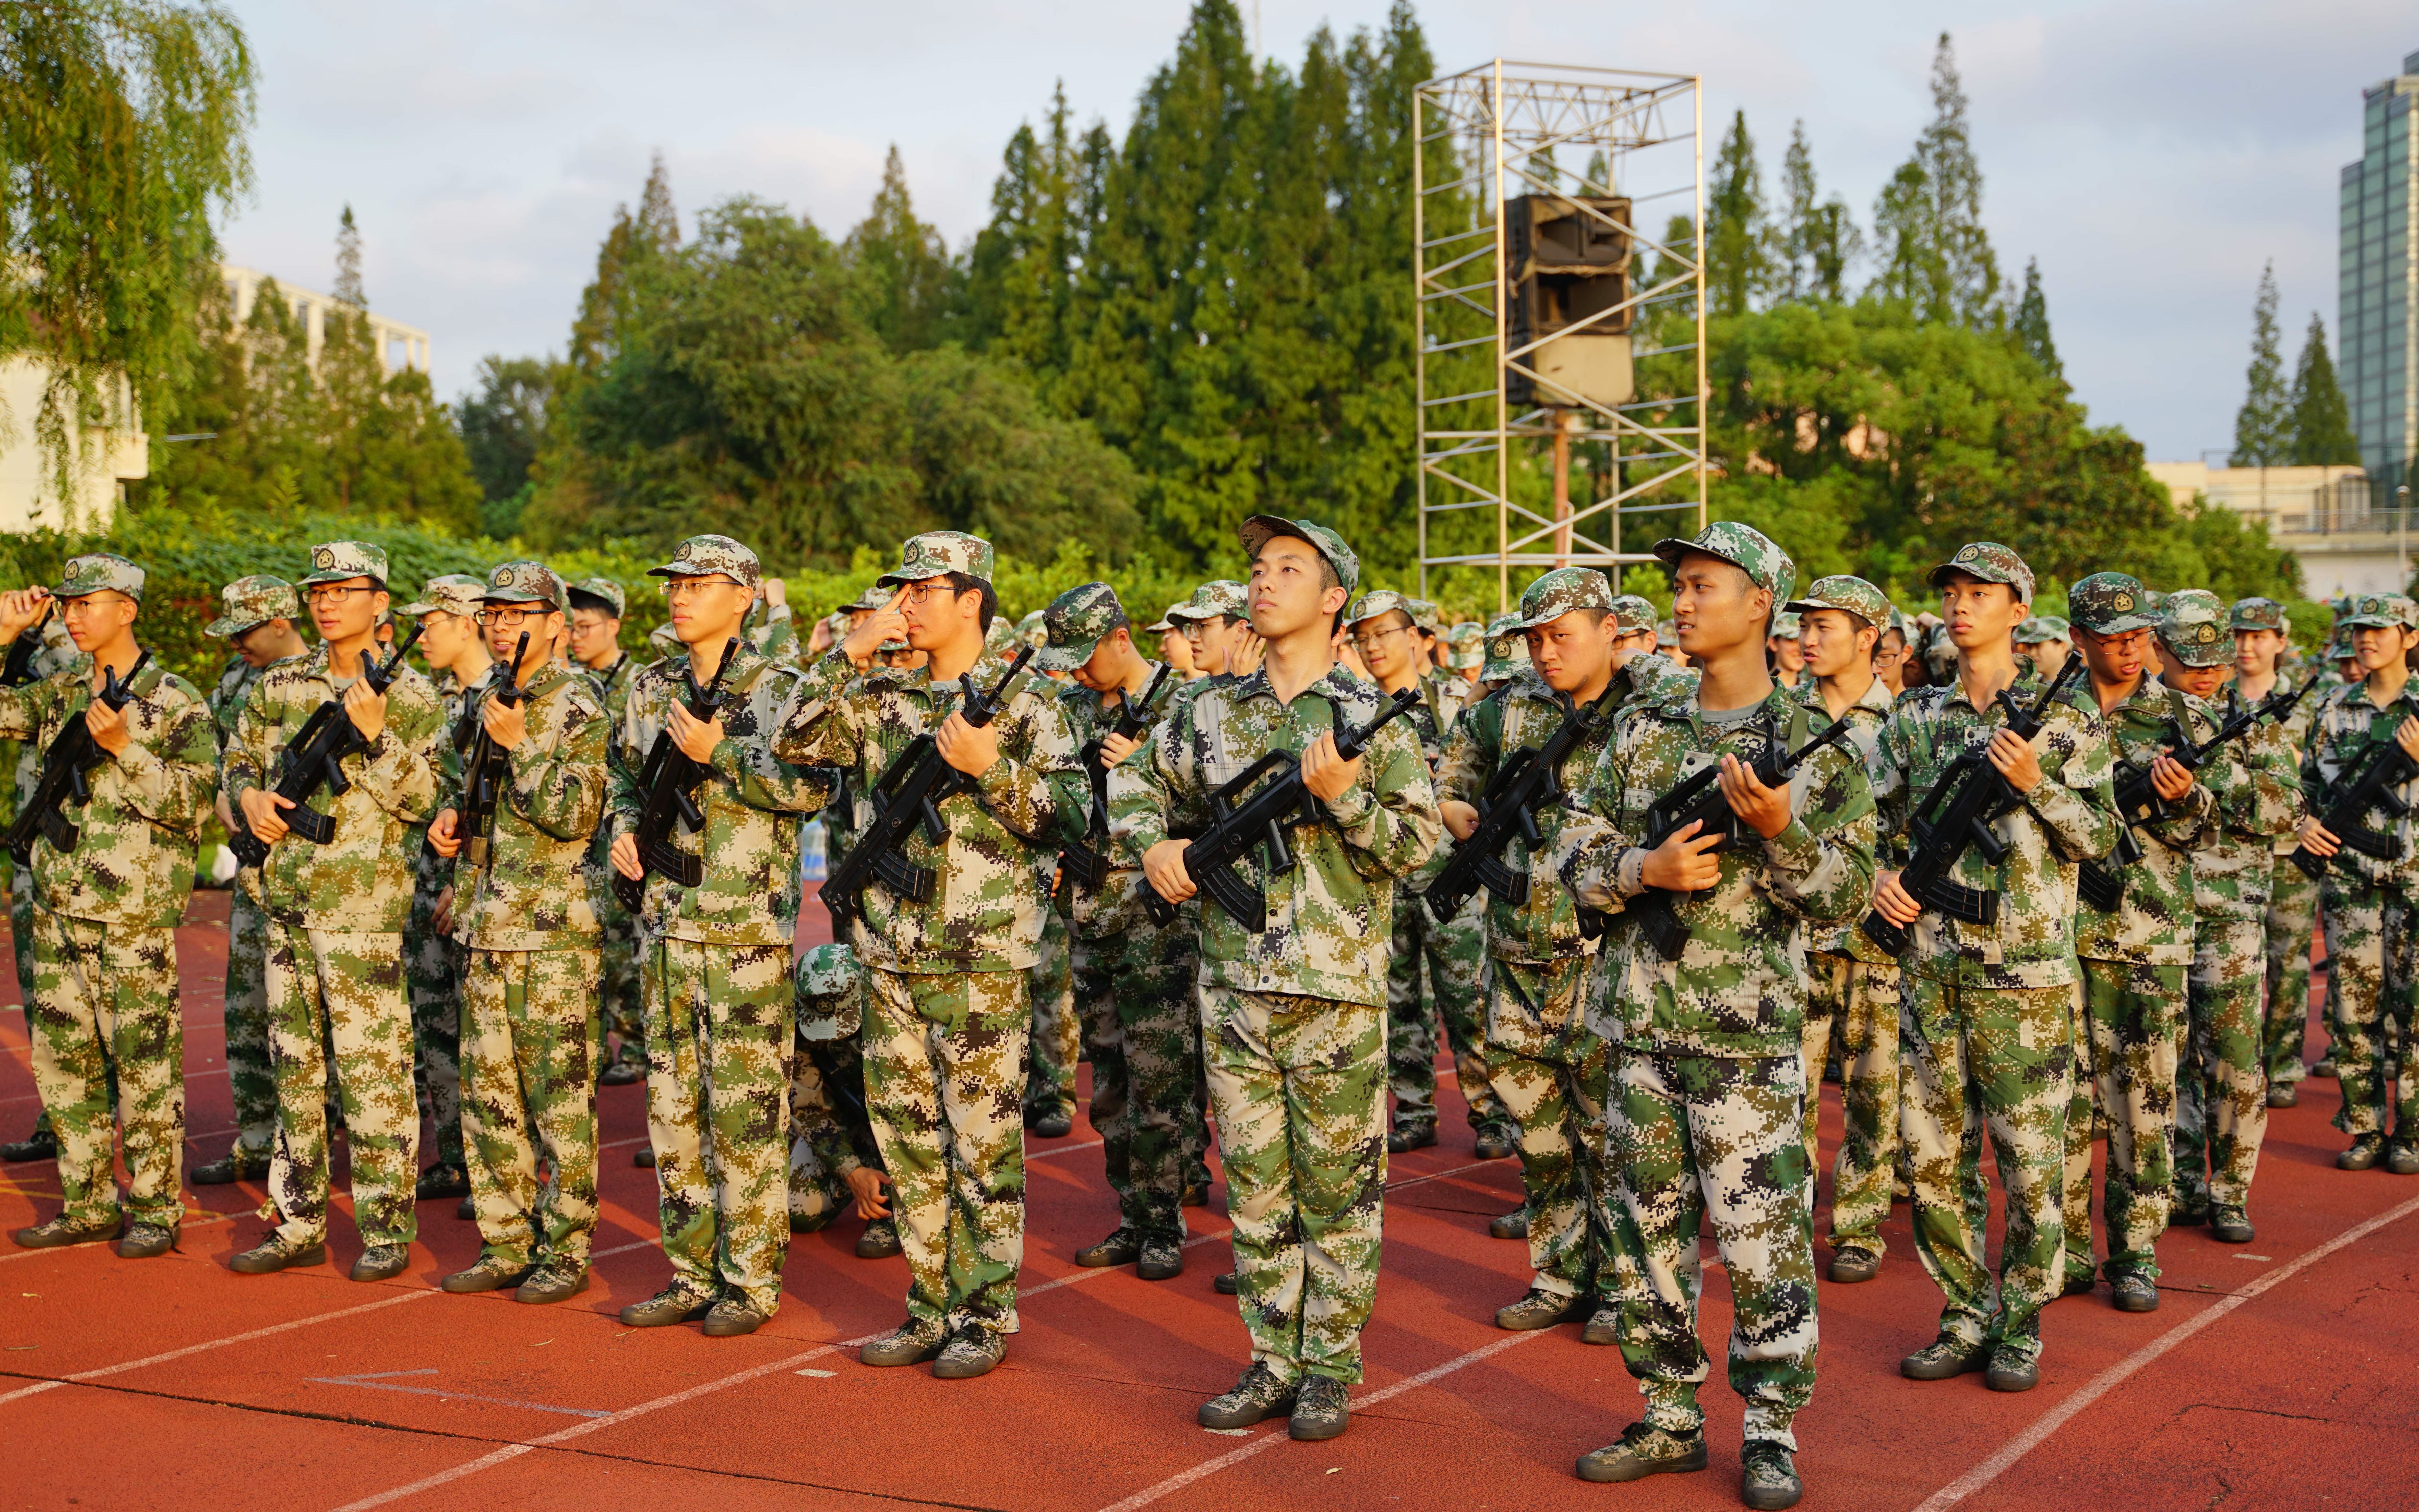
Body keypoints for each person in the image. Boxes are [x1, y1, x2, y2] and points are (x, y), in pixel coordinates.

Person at [1549, 524, 1870, 1510]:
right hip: (1639, 1028)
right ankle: (1669, 1414)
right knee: (1642, 1234)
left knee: (1761, 1236)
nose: (1682, 603)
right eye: (1678, 588)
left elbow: (1851, 894)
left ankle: (1771, 1429)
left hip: (1746, 1039)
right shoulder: (1643, 729)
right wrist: (1637, 871)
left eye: (1702, 586)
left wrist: (1781, 834)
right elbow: (1564, 851)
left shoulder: (1820, 746)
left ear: (1759, 604)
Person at [1117, 516, 1438, 1443]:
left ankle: (1329, 1367)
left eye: (1289, 568)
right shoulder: (1212, 711)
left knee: (1336, 1193)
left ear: (1334, 597)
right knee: (1255, 1187)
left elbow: (1416, 847)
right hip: (1232, 986)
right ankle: (1271, 1358)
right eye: (1257, 567)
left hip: (1333, 993)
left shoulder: (1368, 714)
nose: (1264, 581)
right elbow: (1138, 782)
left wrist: (1344, 798)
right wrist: (1157, 842)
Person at [779, 531, 1084, 1379]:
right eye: (899, 590)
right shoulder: (879, 695)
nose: (904, 603)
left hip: (981, 957)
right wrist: (848, 651)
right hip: (889, 953)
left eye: (921, 590)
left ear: (970, 600)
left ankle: (984, 1313)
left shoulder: (1031, 706)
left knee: (981, 1146)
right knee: (908, 1139)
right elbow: (795, 743)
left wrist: (993, 772)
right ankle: (930, 1303)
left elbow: (1070, 819)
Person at [1871, 542, 2114, 1391]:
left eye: (1981, 593)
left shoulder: (2068, 720)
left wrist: (2039, 781)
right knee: (1933, 1156)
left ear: (2019, 610)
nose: (1960, 605)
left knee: (2029, 1159)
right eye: (1950, 591)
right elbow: (1865, 820)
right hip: (1931, 967)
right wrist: (1876, 872)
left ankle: (2020, 1324)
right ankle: (1964, 1311)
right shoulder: (1913, 718)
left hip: (2026, 974)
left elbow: (2101, 839)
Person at [604, 536, 827, 1337]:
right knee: (672, 1112)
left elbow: (814, 787)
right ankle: (689, 1271)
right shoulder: (649, 684)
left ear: (744, 596)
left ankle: (751, 1282)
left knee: (745, 1114)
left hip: (742, 934)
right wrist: (622, 833)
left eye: (701, 582)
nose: (680, 594)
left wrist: (722, 754)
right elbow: (622, 782)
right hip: (664, 924)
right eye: (675, 582)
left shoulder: (782, 686)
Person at [1434, 568, 1646, 1349]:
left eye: (1561, 636)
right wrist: (1456, 807)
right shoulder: (1505, 708)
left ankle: (1626, 1291)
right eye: (1534, 640)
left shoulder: (1646, 712)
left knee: (1611, 1141)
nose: (1546, 653)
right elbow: (1450, 775)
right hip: (1519, 952)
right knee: (1540, 1135)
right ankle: (1559, 1276)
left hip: (1607, 960)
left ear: (1607, 629)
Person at [223, 541, 447, 1280]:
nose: (325, 601)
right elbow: (236, 763)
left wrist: (378, 737)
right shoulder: (280, 682)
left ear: (381, 604)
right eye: (317, 588)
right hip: (284, 901)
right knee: (295, 1071)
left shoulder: (412, 698)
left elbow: (428, 802)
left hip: (361, 914)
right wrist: (248, 797)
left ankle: (386, 1229)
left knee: (374, 1075)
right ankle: (297, 1220)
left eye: (345, 589)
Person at [0, 556, 214, 1257]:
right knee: (66, 1064)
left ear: (127, 608)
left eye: (88, 603)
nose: (73, 616)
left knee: (145, 1066)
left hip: (131, 917)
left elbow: (194, 806)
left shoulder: (175, 699)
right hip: (60, 906)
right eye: (67, 605)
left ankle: (156, 1206)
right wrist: (4, 637)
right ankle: (87, 1201)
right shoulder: (60, 690)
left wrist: (125, 750)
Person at [426, 562, 611, 1303]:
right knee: (490, 1096)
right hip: (485, 924)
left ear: (557, 622)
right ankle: (504, 1239)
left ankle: (565, 1250)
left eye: (519, 613)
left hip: (552, 931)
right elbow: (459, 785)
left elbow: (576, 813)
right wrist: (449, 822)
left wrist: (525, 744)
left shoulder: (580, 704)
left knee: (559, 1100)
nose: (503, 626)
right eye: (494, 614)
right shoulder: (480, 699)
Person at [2061, 572, 2231, 1314]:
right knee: (2061, 1106)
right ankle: (2062, 1249)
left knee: (2143, 1104)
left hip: (2146, 935)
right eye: (2113, 636)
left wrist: (2182, 798)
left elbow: (2211, 829)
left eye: (2139, 635)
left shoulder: (2181, 717)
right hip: (2056, 937)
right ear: (2078, 639)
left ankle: (2134, 1251)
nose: (2131, 649)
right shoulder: (2050, 712)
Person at [1042, 583, 1200, 1281]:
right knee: (1106, 1079)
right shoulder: (1072, 708)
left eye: (1085, 657)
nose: (1077, 672)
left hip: (1155, 921)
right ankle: (1130, 1212)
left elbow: (1207, 807)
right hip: (1087, 914)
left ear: (1119, 637)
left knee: (1159, 1078)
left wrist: (1135, 763)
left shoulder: (1182, 707)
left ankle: (1164, 1222)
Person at [2161, 591, 2296, 1245]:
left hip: (2229, 918)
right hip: (2153, 915)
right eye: (2192, 658)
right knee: (2163, 1061)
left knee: (2235, 1060)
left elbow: (2285, 811)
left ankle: (2230, 1191)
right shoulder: (2142, 722)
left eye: (2215, 657)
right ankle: (2180, 1182)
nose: (2208, 670)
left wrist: (2207, 784)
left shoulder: (2256, 723)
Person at [1784, 574, 1902, 1283]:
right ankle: (1788, 1212)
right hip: (1795, 931)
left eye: (1825, 626)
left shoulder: (1904, 723)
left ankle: (1857, 1224)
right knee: (1787, 1085)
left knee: (1872, 1087)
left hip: (1873, 938)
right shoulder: (1780, 717)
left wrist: (1896, 874)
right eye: (1804, 625)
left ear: (1868, 639)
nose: (1807, 637)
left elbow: (1926, 822)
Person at [1344, 588, 1485, 1156]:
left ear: (1415, 636)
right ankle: (1415, 1109)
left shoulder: (1457, 698)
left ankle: (1491, 1112)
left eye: (1385, 633)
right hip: (1385, 874)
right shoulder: (1353, 706)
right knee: (1398, 999)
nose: (1374, 645)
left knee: (1468, 998)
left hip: (1452, 875)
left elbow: (1483, 772)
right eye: (1363, 636)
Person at [2296, 593, 2419, 1173]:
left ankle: (2411, 1132)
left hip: (2415, 879)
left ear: (2409, 636)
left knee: (2414, 1008)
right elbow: (2304, 788)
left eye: (2379, 628)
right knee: (2354, 1008)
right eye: (2357, 629)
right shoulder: (2332, 706)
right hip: (2350, 879)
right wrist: (2304, 821)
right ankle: (2365, 1127)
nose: (2365, 638)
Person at [191, 576, 305, 1185]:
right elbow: (209, 755)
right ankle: (258, 1138)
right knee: (246, 1008)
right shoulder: (236, 683)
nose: (237, 644)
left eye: (246, 632)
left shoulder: (324, 681)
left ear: (282, 623)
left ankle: (316, 1140)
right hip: (251, 868)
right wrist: (224, 799)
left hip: (311, 876)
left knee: (312, 1021)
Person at [395, 574, 494, 1208]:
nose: (420, 634)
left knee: (483, 1032)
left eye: (431, 622)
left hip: (476, 888)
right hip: (427, 879)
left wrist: (466, 882)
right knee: (435, 1025)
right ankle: (454, 1155)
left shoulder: (502, 699)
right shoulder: (437, 698)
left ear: (467, 623)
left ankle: (497, 1166)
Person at [2231, 599, 2322, 1108]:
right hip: (2230, 852)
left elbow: (2320, 776)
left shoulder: (2307, 704)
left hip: (2290, 851)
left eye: (2260, 636)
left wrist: (2307, 817)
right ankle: (2233, 1063)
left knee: (2287, 963)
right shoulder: (2216, 699)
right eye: (2240, 635)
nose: (2248, 645)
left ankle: (2282, 1065)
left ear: (2280, 642)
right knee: (2231, 964)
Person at [567, 576, 649, 1094]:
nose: (577, 636)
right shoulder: (571, 683)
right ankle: (594, 1045)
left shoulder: (639, 684)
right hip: (580, 837)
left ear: (613, 626)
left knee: (628, 947)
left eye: (586, 626)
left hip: (622, 832)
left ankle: (637, 1046)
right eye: (571, 627)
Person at [788, 942, 892, 1248]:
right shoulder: (799, 1024)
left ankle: (895, 1213)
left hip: (904, 1128)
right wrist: (852, 1171)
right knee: (799, 1210)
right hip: (854, 1120)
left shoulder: (893, 1016)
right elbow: (807, 1108)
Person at [1767, 610, 1804, 689]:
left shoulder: (1815, 694)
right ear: (1773, 643)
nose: (1800, 649)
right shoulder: (1757, 689)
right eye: (1793, 640)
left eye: (1803, 640)